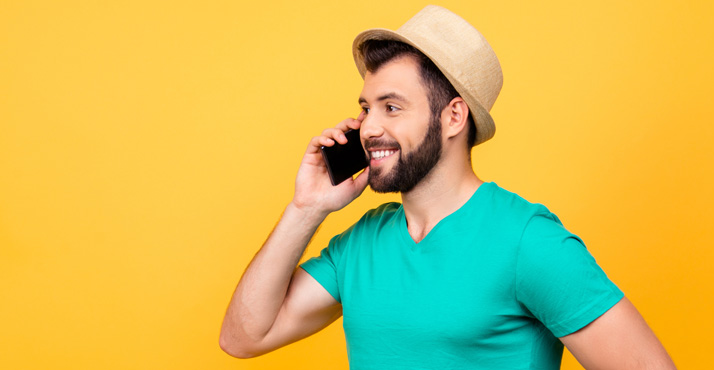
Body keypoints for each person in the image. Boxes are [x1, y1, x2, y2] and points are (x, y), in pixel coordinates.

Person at [220, 5, 676, 369]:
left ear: (453, 116)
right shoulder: (360, 244)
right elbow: (242, 338)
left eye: (392, 107)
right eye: (366, 107)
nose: (368, 127)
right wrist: (306, 207)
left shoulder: (527, 240)